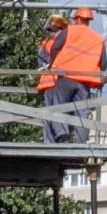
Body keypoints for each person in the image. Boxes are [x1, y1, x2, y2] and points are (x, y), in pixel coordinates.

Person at [47, 6, 107, 143]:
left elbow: (55, 47)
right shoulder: (98, 38)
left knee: (59, 105)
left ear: (77, 18)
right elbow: (103, 63)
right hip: (84, 82)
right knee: (82, 111)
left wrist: (52, 64)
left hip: (65, 77)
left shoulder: (69, 31)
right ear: (89, 20)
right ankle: (80, 140)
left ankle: (62, 134)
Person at [36, 13, 67, 143]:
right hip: (57, 82)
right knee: (60, 111)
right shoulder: (63, 44)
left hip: (47, 83)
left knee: (48, 113)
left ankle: (49, 142)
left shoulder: (43, 45)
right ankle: (61, 134)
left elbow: (41, 65)